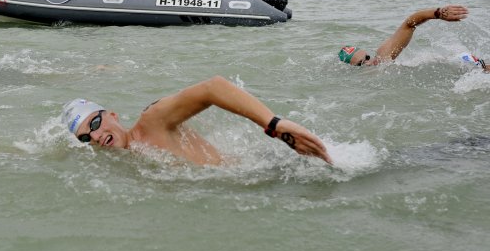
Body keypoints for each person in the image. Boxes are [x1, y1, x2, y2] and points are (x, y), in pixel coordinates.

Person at [62, 76, 332, 166]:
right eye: (86, 138)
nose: (95, 137)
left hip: (266, 171)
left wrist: (273, 125)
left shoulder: (152, 121)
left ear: (112, 115)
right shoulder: (125, 161)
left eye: (95, 124)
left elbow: (212, 88)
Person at [339, 5, 488, 72]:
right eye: (361, 64)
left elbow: (409, 24)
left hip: (456, 64)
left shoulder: (383, 58)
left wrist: (437, 13)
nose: (369, 63)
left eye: (367, 57)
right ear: (351, 70)